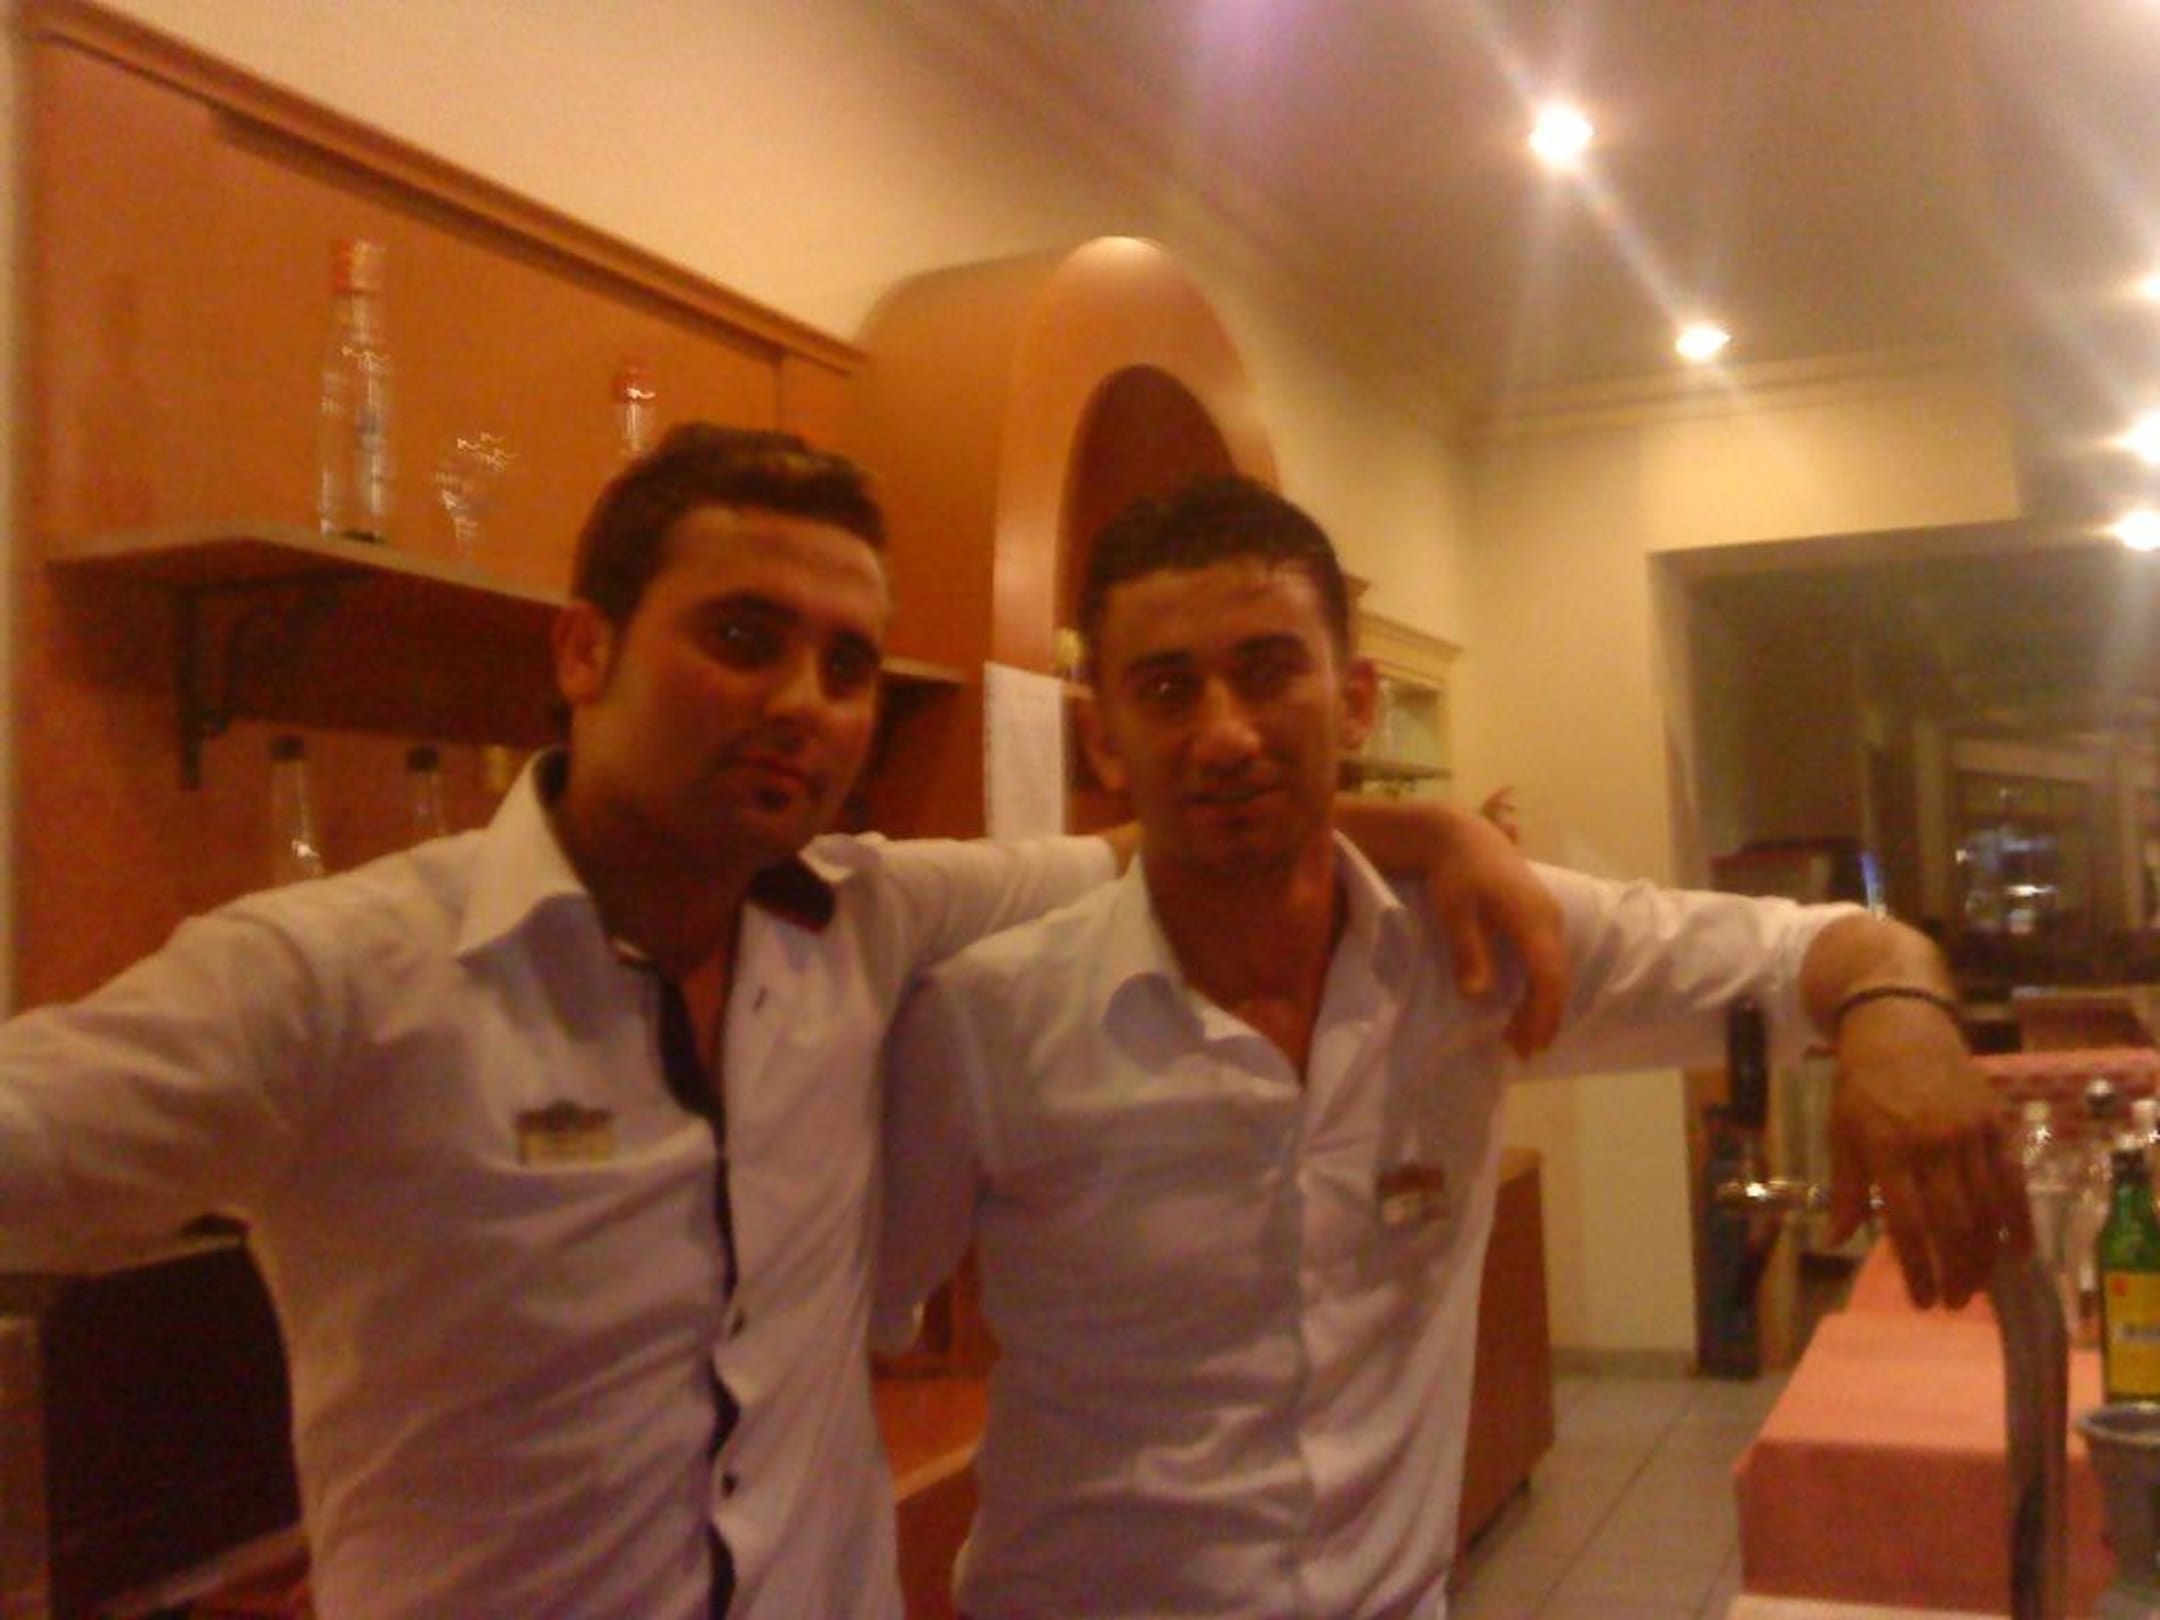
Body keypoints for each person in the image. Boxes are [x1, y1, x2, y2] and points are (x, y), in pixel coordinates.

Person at [0, 429, 1565, 1619]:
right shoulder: (335, 976)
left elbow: (1167, 836)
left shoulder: (867, 918)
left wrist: (1433, 836)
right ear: (584, 648)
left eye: (847, 664)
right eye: (743, 639)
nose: (804, 701)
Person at [875, 474, 2028, 1619]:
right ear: (1103, 738)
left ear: (1357, 702)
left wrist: (1903, 1011)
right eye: (1168, 689)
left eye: (1269, 672)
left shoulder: (1473, 941)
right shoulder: (989, 1020)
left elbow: (1807, 953)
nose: (1223, 735)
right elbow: (839, 1330)